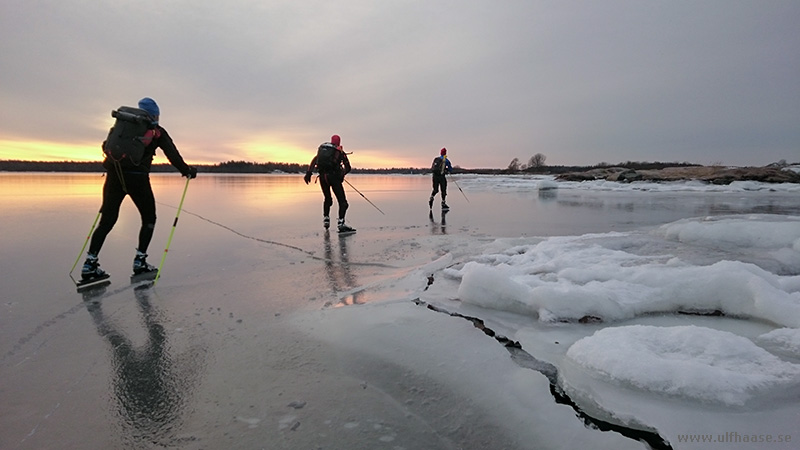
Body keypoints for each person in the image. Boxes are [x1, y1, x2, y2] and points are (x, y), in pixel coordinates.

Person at [81, 97, 197, 282]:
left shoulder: (124, 127)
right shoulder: (156, 131)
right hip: (138, 180)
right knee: (149, 218)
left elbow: (106, 145)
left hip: (114, 176)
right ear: (155, 115)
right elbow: (172, 155)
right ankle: (140, 261)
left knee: (107, 221)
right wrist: (187, 171)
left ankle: (89, 264)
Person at [304, 134, 355, 233]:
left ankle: (326, 219)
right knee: (343, 202)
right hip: (334, 178)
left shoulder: (324, 151)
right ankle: (341, 223)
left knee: (328, 199)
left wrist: (309, 173)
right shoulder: (339, 152)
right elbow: (348, 168)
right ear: (339, 142)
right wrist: (341, 174)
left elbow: (314, 160)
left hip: (323, 178)